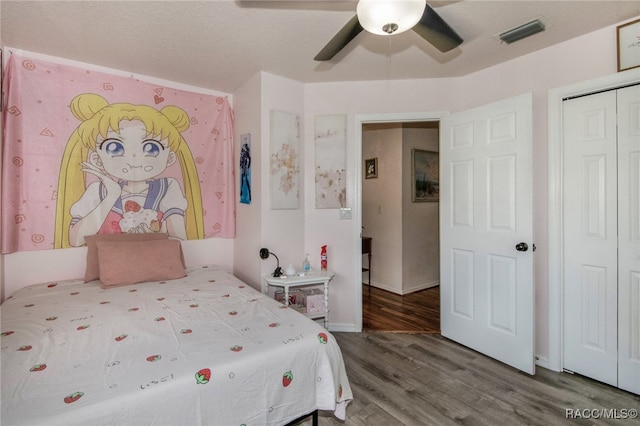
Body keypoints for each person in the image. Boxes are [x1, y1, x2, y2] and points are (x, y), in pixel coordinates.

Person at [54, 93, 204, 248]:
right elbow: (76, 240)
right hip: (111, 265)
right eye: (115, 147)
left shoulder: (167, 188)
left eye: (151, 148)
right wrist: (112, 194)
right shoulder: (98, 191)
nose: (134, 159)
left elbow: (179, 240)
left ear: (169, 158)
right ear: (97, 159)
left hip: (155, 262)